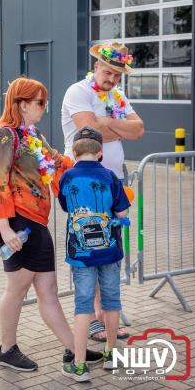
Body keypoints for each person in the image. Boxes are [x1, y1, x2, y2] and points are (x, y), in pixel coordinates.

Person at [0, 77, 103, 371]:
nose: (43, 108)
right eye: (39, 103)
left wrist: (88, 166)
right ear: (21, 105)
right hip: (19, 224)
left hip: (36, 222)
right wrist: (5, 228)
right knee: (18, 288)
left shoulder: (31, 135)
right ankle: (7, 348)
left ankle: (74, 350)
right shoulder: (5, 136)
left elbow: (57, 161)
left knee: (48, 289)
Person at [62, 41, 144, 342]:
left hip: (111, 183)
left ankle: (104, 316)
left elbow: (139, 129)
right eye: (108, 72)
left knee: (108, 248)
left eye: (117, 76)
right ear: (96, 66)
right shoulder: (78, 92)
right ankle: (93, 318)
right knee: (90, 244)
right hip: (83, 185)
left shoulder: (115, 96)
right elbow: (89, 133)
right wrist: (116, 127)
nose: (111, 80)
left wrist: (106, 123)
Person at [59, 126, 130, 382]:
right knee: (111, 302)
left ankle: (79, 365)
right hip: (110, 253)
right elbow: (122, 213)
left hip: (81, 255)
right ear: (100, 153)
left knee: (83, 305)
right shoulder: (111, 176)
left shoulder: (67, 178)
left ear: (75, 152)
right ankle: (111, 355)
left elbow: (66, 206)